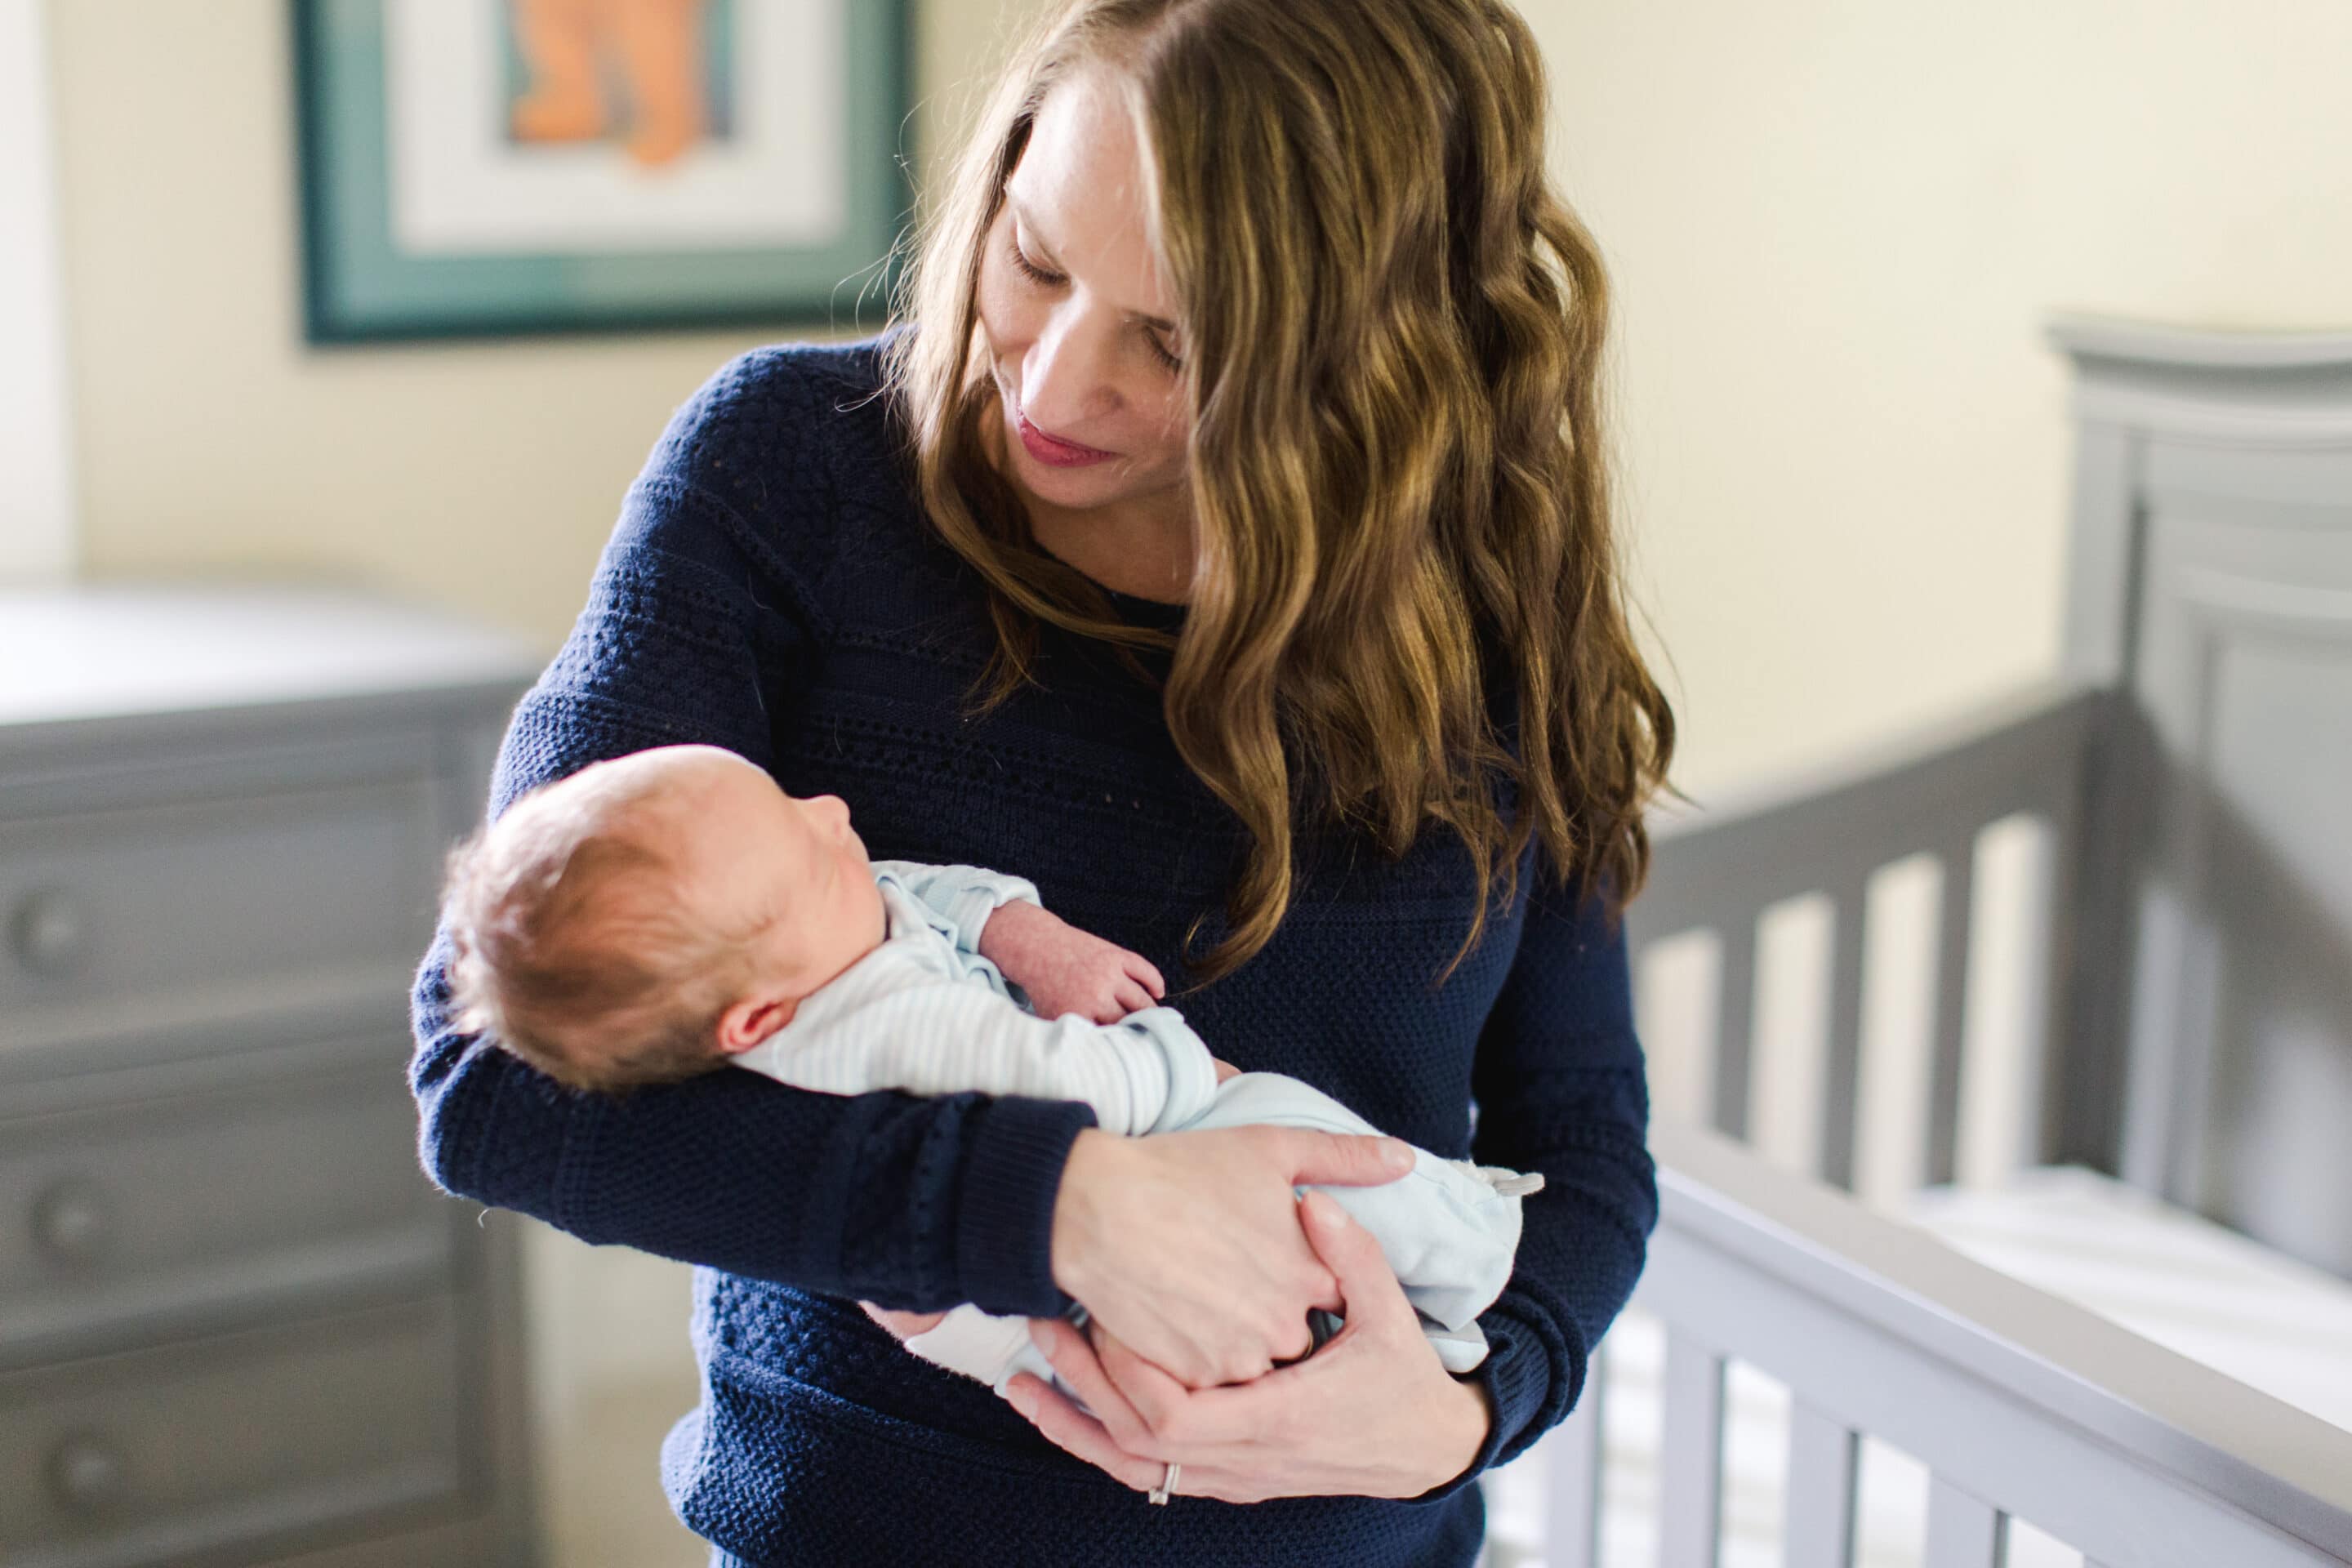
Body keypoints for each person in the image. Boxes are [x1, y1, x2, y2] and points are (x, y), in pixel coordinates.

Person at [405, 0, 1674, 1561]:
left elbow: (1585, 1135)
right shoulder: (791, 476)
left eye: (1179, 342)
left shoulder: (1490, 606)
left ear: (1372, 354)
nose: (1058, 391)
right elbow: (498, 1085)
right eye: (1038, 258)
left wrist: (1470, 1414)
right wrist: (1060, 1207)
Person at [434, 741, 1544, 1397]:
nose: (834, 813)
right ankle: (1467, 1260)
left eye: (794, 799)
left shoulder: (806, 944)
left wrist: (1014, 929)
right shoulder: (884, 1034)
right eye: (807, 837)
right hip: (1062, 1296)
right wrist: (1172, 1057)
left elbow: (917, 893)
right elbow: (1079, 1092)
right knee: (1294, 1138)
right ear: (758, 1018)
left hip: (1040, 1287)